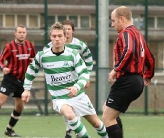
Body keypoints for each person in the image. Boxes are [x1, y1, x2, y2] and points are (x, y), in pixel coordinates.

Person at [22, 22, 108, 138]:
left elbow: (84, 74)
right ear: (50, 37)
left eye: (60, 36)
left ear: (65, 36)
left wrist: (76, 87)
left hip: (78, 96)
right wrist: (26, 89)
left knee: (97, 123)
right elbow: (31, 70)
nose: (57, 39)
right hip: (59, 98)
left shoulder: (73, 55)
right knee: (70, 116)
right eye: (54, 36)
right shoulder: (42, 55)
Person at [102, 6, 155, 138]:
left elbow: (129, 51)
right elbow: (150, 59)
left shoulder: (126, 33)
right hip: (136, 81)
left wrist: (115, 69)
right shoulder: (138, 35)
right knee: (107, 111)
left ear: (122, 19)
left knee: (108, 118)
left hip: (128, 80)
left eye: (113, 21)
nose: (112, 24)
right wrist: (148, 75)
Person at [43, 20, 93, 138]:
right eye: (65, 29)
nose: (67, 31)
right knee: (64, 104)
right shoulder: (51, 46)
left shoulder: (80, 45)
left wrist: (87, 76)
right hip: (60, 79)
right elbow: (43, 58)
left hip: (76, 78)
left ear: (72, 31)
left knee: (75, 103)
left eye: (69, 29)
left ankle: (74, 130)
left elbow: (89, 59)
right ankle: (69, 129)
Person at [0, 25, 36, 137]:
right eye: (19, 32)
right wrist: (3, 68)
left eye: (23, 32)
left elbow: (35, 59)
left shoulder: (30, 46)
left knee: (19, 107)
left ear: (25, 34)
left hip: (23, 81)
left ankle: (9, 130)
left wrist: (35, 61)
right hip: (10, 79)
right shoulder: (9, 46)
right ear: (15, 33)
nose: (22, 34)